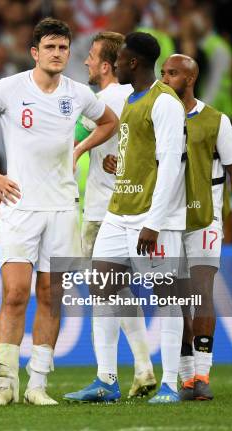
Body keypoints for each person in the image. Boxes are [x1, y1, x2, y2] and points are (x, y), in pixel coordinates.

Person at [0, 17, 118, 406]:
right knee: (14, 294)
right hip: (19, 205)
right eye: (50, 47)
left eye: (63, 48)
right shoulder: (10, 89)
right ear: (34, 52)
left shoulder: (78, 94)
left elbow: (110, 122)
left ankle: (37, 384)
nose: (58, 54)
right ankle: (4, 384)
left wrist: (80, 149)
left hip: (62, 207)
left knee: (51, 294)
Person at [87, 32, 187, 404]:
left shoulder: (165, 103)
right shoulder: (131, 100)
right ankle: (105, 380)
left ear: (134, 63)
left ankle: (171, 383)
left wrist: (155, 222)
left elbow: (172, 166)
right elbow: (144, 157)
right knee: (102, 284)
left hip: (151, 215)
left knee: (166, 296)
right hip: (119, 210)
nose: (114, 65)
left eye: (121, 59)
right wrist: (120, 165)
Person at [63, 31, 156, 403]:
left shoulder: (98, 103)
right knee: (121, 292)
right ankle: (146, 367)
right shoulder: (140, 99)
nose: (85, 62)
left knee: (104, 294)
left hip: (104, 213)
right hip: (142, 210)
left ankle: (107, 377)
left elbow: (69, 145)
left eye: (91, 56)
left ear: (106, 64)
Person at [160, 54, 232, 401]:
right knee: (174, 297)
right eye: (163, 72)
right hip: (165, 220)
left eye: (173, 73)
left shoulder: (215, 120)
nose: (166, 78)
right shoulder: (155, 117)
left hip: (204, 217)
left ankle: (201, 375)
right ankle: (185, 378)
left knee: (200, 291)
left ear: (190, 78)